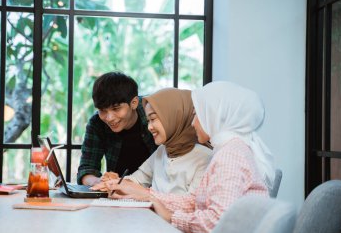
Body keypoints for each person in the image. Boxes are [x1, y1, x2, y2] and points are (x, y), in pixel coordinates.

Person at [103, 81, 275, 233]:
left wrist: (171, 217)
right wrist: (149, 197)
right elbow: (195, 203)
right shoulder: (228, 150)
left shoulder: (230, 156)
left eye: (196, 115)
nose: (192, 123)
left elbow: (216, 223)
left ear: (215, 115)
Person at [94, 88, 212, 194]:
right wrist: (113, 182)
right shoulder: (163, 150)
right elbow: (138, 179)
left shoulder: (206, 158)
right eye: (148, 120)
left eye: (153, 119)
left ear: (175, 117)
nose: (149, 127)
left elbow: (191, 204)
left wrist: (147, 195)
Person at [77, 72, 158, 186]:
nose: (109, 118)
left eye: (116, 108)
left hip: (155, 191)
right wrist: (98, 181)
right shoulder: (97, 123)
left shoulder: (153, 114)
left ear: (134, 103)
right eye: (103, 110)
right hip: (118, 192)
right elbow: (86, 170)